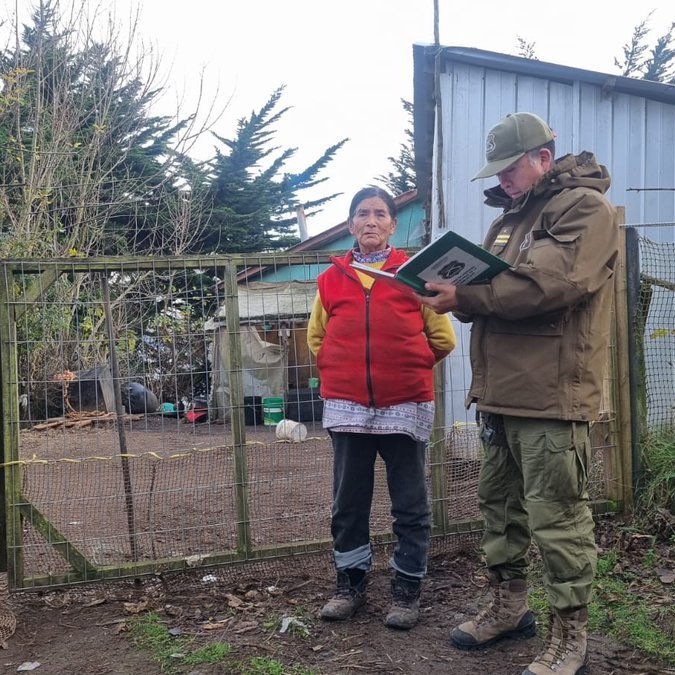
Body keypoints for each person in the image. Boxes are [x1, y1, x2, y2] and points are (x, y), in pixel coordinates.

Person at [418, 112, 618, 674]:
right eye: (497, 171)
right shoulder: (512, 217)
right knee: (500, 509)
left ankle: (568, 636)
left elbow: (550, 283)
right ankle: (509, 608)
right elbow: (492, 283)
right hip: (502, 392)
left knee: (557, 518)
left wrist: (466, 296)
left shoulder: (583, 208)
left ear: (543, 158)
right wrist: (452, 288)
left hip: (553, 396)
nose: (502, 179)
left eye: (510, 168)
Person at [307, 186, 456, 630]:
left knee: (409, 504)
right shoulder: (330, 280)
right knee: (348, 503)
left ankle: (406, 592)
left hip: (405, 405)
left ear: (393, 224)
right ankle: (349, 587)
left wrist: (406, 367)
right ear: (351, 225)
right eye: (362, 214)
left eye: (379, 214)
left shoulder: (413, 275)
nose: (370, 221)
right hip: (347, 407)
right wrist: (342, 371)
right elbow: (317, 338)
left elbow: (443, 339)